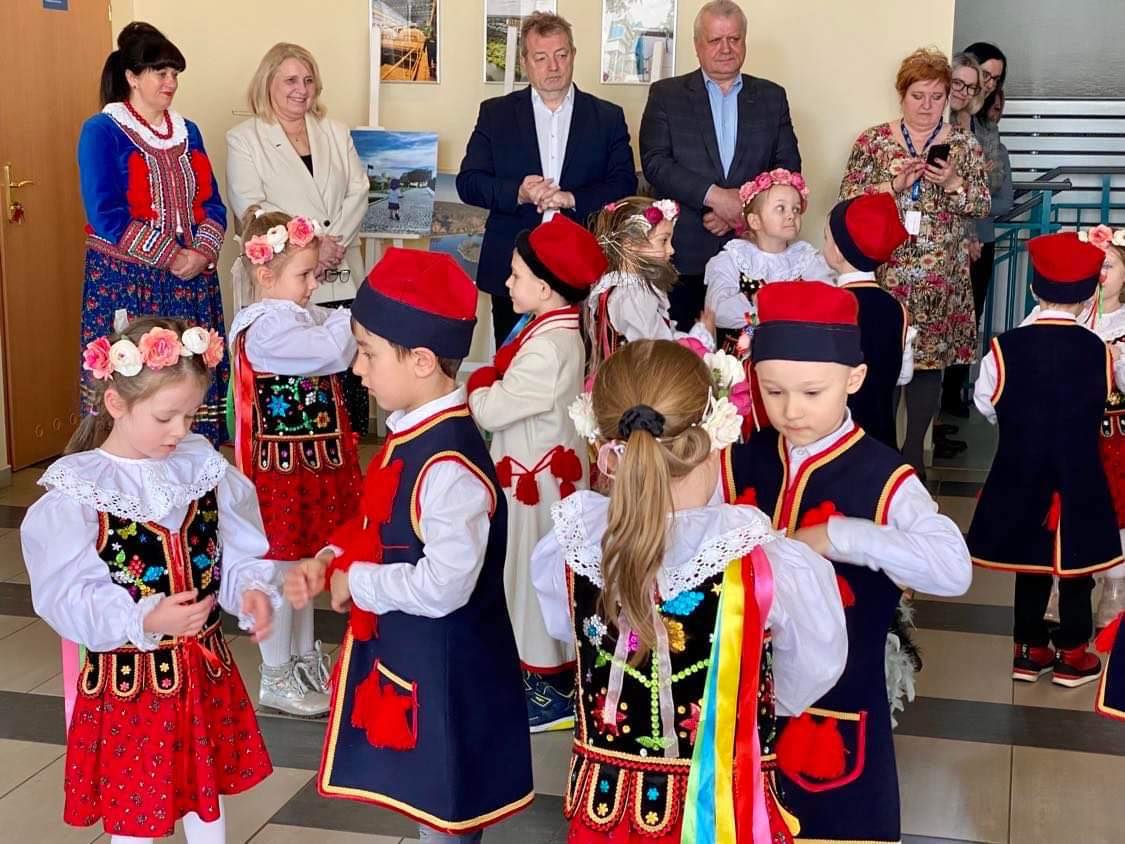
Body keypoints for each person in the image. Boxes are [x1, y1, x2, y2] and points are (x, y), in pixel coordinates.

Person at [532, 338, 848, 843]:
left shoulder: (571, 546)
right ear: (715, 436)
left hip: (607, 810)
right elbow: (811, 671)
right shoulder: (765, 565)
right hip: (726, 807)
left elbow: (561, 628)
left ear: (602, 445)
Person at [283, 248, 533, 842]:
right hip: (418, 661)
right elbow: (381, 522)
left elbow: (443, 587)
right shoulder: (413, 432)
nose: (357, 369)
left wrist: (357, 582)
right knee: (430, 809)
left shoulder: (447, 464)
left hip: (450, 676)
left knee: (448, 817)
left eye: (368, 353)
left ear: (421, 360)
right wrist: (332, 558)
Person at [724, 281, 971, 844]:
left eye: (812, 392)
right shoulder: (739, 462)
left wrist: (840, 536)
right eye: (773, 390)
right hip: (742, 710)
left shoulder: (884, 476)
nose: (791, 410)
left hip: (837, 712)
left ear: (854, 379)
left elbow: (953, 569)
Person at [23, 316, 277, 842]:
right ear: (117, 404)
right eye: (165, 417)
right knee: (137, 812)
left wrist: (250, 589)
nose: (180, 431)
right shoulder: (79, 493)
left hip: (203, 673)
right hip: (132, 689)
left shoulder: (202, 468)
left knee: (206, 797)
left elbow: (235, 548)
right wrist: (143, 618)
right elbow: (67, 596)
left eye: (190, 415)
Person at [467, 214, 604, 732]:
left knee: (531, 580)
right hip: (537, 474)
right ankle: (540, 678)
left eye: (516, 275)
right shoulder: (549, 329)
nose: (507, 283)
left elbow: (492, 409)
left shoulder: (547, 345)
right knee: (528, 576)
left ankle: (549, 690)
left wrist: (479, 381)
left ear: (545, 289)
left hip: (536, 485)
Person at [969, 232, 1125, 687]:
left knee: (1030, 564)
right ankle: (1073, 654)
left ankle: (1028, 650)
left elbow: (985, 402)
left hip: (1021, 472)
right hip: (1079, 475)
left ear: (1034, 289)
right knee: (1076, 566)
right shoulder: (1099, 350)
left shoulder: (1005, 347)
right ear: (1088, 294)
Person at [229, 208, 363, 718]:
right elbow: (330, 351)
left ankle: (304, 658)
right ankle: (276, 673)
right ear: (265, 275)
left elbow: (326, 330)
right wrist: (358, 312)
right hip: (283, 474)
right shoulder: (265, 327)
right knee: (284, 568)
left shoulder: (291, 315)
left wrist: (342, 314)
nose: (313, 286)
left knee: (306, 563)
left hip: (307, 466)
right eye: (304, 275)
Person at [838, 47, 990, 480]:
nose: (927, 106)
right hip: (886, 273)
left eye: (937, 97)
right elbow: (847, 202)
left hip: (941, 275)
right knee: (882, 360)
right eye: (918, 96)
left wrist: (954, 182)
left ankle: (914, 454)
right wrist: (893, 184)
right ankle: (880, 450)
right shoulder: (873, 141)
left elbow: (981, 205)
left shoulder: (963, 144)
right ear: (901, 95)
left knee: (929, 366)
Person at [79, 23, 229, 446]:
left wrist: (201, 252)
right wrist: (170, 255)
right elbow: (105, 213)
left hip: (191, 282)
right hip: (128, 282)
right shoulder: (102, 130)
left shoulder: (188, 131)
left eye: (174, 74)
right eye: (160, 73)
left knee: (189, 378)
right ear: (131, 76)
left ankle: (193, 473)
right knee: (138, 384)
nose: (171, 82)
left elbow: (213, 203)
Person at [457, 11, 637, 348]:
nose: (553, 67)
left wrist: (572, 199)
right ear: (525, 62)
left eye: (561, 55)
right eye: (541, 58)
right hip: (515, 269)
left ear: (573, 55)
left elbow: (624, 183)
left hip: (583, 266)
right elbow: (468, 182)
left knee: (583, 365)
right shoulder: (496, 114)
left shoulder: (607, 116)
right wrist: (519, 192)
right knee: (514, 366)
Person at [225, 42, 372, 433]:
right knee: (299, 402)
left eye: (308, 80)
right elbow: (252, 208)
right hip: (283, 279)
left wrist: (332, 243)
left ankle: (346, 461)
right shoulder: (245, 138)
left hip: (341, 267)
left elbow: (359, 189)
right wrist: (313, 245)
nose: (301, 89)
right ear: (267, 83)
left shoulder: (335, 132)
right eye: (290, 80)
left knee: (348, 389)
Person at [640, 0, 801, 331]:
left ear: (744, 41)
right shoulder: (666, 95)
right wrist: (715, 198)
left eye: (734, 39)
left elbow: (787, 169)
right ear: (697, 45)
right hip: (683, 255)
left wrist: (741, 208)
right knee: (683, 355)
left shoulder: (772, 96)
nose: (726, 49)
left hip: (756, 254)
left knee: (749, 354)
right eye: (715, 40)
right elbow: (655, 163)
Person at [823, 192, 916, 448]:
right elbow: (904, 376)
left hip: (835, 439)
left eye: (826, 237)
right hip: (881, 441)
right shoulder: (897, 309)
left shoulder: (829, 304)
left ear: (838, 252)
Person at [586, 196, 715, 375]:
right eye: (663, 241)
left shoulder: (618, 288)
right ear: (630, 245)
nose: (671, 250)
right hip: (638, 384)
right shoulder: (633, 295)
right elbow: (658, 354)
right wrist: (701, 338)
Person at [703, 168, 832, 337]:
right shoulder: (733, 258)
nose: (791, 215)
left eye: (796, 209)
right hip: (745, 352)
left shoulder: (806, 259)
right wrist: (765, 311)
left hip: (795, 349)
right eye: (781, 208)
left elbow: (827, 302)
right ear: (755, 220)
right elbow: (717, 311)